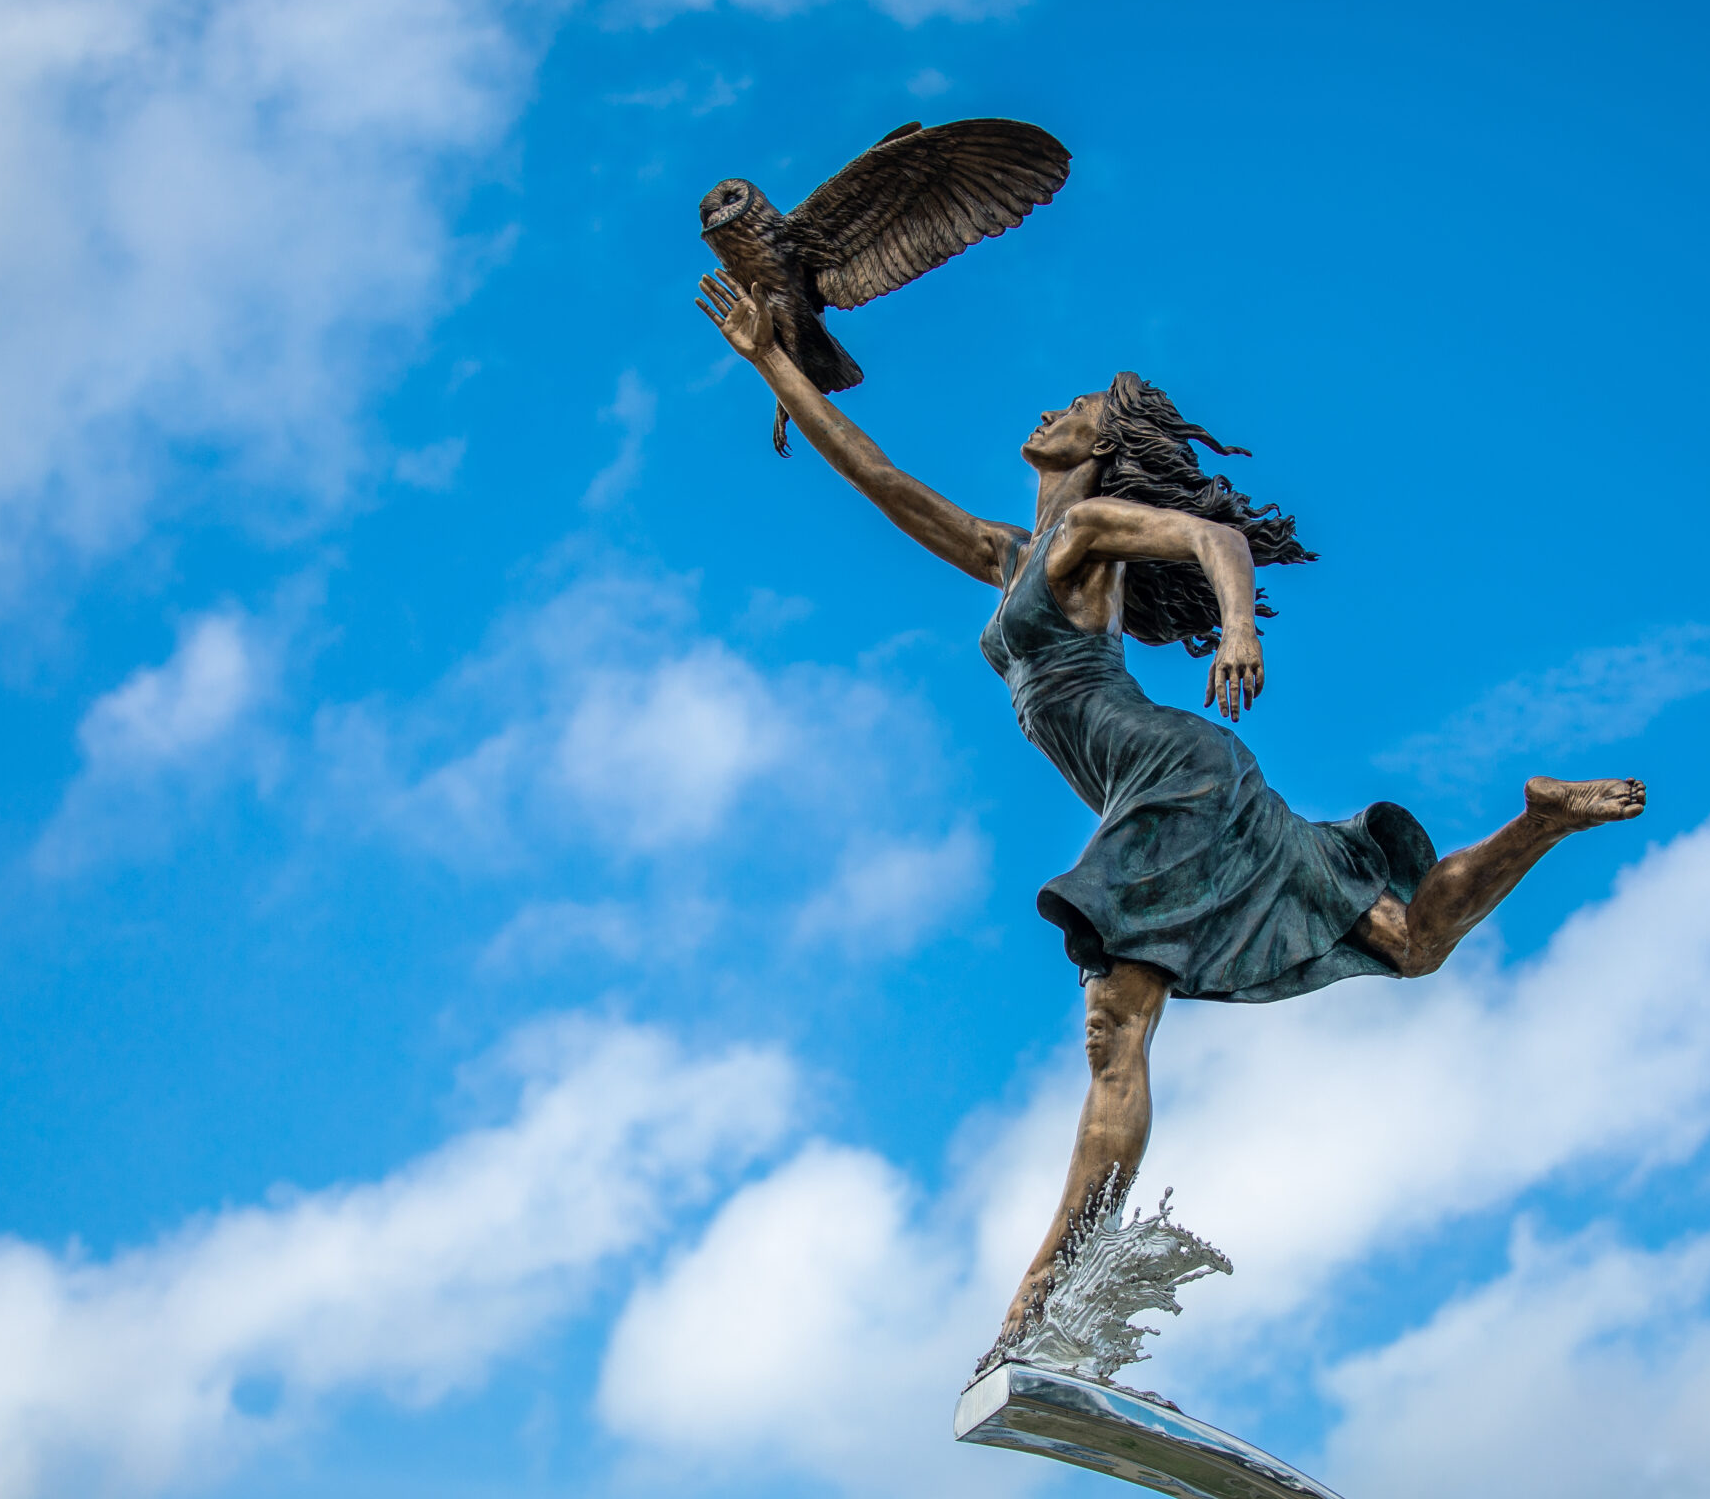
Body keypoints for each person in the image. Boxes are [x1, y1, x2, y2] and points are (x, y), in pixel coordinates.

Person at [695, 273, 1646, 1354]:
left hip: (1170, 776)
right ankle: (1541, 821)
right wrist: (768, 361)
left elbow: (1216, 543)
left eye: (1075, 412)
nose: (1050, 413)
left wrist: (1239, 628)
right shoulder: (1016, 553)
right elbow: (880, 476)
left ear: (1098, 452)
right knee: (1408, 941)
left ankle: (1040, 1309)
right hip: (1195, 777)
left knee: (1116, 1032)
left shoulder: (1091, 528)